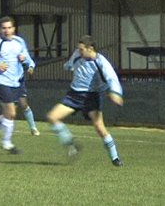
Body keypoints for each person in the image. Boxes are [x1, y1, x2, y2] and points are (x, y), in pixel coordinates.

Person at [46, 35, 124, 166]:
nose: (79, 51)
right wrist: (68, 66)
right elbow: (71, 64)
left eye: (82, 49)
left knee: (100, 128)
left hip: (91, 97)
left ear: (90, 48)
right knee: (52, 117)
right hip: (74, 95)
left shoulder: (101, 62)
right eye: (78, 49)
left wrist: (115, 93)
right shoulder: (78, 54)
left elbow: (111, 78)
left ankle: (115, 158)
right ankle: (72, 145)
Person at [0, 16, 35, 154]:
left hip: (16, 82)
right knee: (11, 112)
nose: (7, 31)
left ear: (14, 29)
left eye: (9, 28)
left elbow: (27, 57)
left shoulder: (19, 41)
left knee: (7, 114)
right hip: (0, 81)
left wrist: (28, 63)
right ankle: (6, 142)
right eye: (4, 28)